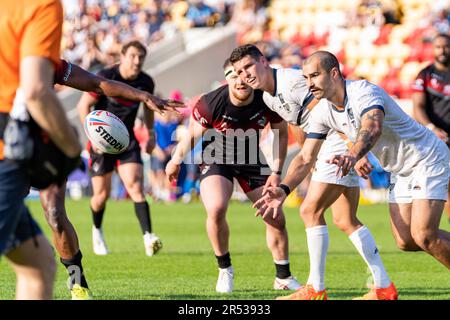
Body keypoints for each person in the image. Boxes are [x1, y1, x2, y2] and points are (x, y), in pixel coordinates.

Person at [256, 51, 450, 293]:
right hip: (400, 170)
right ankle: (380, 288)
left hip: (426, 157)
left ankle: (321, 288)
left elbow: (373, 126)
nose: (309, 84)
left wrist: (353, 154)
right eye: (306, 78)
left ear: (334, 73)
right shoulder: (323, 111)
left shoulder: (363, 92)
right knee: (406, 241)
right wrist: (284, 189)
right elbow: (306, 157)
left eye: (315, 76)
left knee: (424, 235)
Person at [230, 44, 395, 300]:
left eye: (248, 66)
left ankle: (315, 289)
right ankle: (384, 286)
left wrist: (352, 146)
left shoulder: (292, 81)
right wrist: (311, 158)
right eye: (239, 72)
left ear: (263, 61)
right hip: (325, 144)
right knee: (345, 219)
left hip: (336, 142)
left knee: (309, 210)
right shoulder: (267, 96)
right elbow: (300, 123)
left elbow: (329, 110)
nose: (245, 75)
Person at [39, 58, 184, 299]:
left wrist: (143, 96)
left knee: (54, 213)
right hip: (7, 148)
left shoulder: (47, 62)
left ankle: (78, 283)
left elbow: (97, 83)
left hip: (47, 144)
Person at [165, 59, 301, 293]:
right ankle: (224, 269)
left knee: (275, 216)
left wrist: (277, 172)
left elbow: (280, 134)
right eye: (233, 75)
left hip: (251, 154)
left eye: (243, 73)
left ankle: (283, 276)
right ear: (226, 78)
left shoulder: (266, 98)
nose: (239, 80)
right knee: (216, 207)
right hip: (217, 152)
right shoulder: (211, 102)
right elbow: (192, 135)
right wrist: (176, 160)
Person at [0, 0, 81, 299]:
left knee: (39, 265)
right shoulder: (40, 5)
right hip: (5, 153)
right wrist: (71, 148)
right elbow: (35, 90)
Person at [77, 40, 164, 257]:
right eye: (133, 56)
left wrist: (151, 134)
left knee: (135, 187)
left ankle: (148, 237)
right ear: (122, 56)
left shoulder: (146, 82)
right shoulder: (106, 76)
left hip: (127, 140)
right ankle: (97, 230)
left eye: (141, 57)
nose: (137, 61)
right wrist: (92, 136)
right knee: (101, 195)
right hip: (102, 140)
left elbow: (148, 107)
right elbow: (83, 106)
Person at [412, 33, 450, 222]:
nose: (442, 50)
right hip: (437, 140)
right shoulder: (425, 75)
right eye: (438, 47)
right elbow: (417, 107)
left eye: (446, 46)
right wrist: (431, 127)